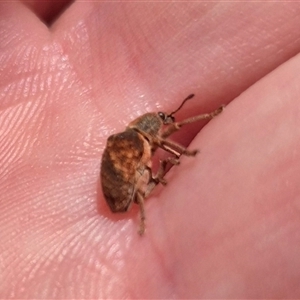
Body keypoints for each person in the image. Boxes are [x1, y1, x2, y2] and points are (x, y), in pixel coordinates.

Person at [1, 1, 300, 298]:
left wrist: (203, 122)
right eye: (162, 121)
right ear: (149, 127)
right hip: (123, 195)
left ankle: (163, 176)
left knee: (152, 167)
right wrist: (186, 153)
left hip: (124, 186)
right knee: (147, 179)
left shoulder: (135, 139)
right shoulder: (135, 141)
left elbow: (166, 137)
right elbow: (163, 145)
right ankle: (145, 213)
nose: (167, 123)